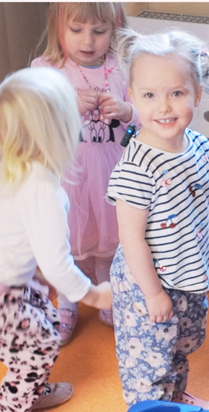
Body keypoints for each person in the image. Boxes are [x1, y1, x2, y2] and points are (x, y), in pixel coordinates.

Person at [106, 28, 209, 410]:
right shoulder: (137, 167)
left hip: (187, 272)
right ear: (132, 97)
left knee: (181, 344)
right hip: (147, 283)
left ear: (197, 94)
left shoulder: (200, 148)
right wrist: (153, 292)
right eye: (150, 95)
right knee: (148, 362)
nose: (164, 107)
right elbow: (131, 237)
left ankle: (173, 400)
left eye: (176, 93)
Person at [0, 67, 112, 412]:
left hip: (15, 279)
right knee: (35, 346)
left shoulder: (9, 164)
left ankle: (31, 387)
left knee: (44, 322)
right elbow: (57, 264)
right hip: (7, 288)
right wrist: (94, 295)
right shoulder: (42, 189)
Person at [31, 2, 137, 345]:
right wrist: (67, 107)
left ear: (115, 28)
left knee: (110, 236)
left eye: (99, 31)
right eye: (76, 30)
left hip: (112, 173)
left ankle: (108, 294)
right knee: (68, 238)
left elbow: (144, 113)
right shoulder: (47, 70)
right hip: (68, 175)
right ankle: (67, 304)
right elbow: (33, 123)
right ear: (58, 27)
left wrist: (125, 110)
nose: (87, 41)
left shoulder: (122, 69)